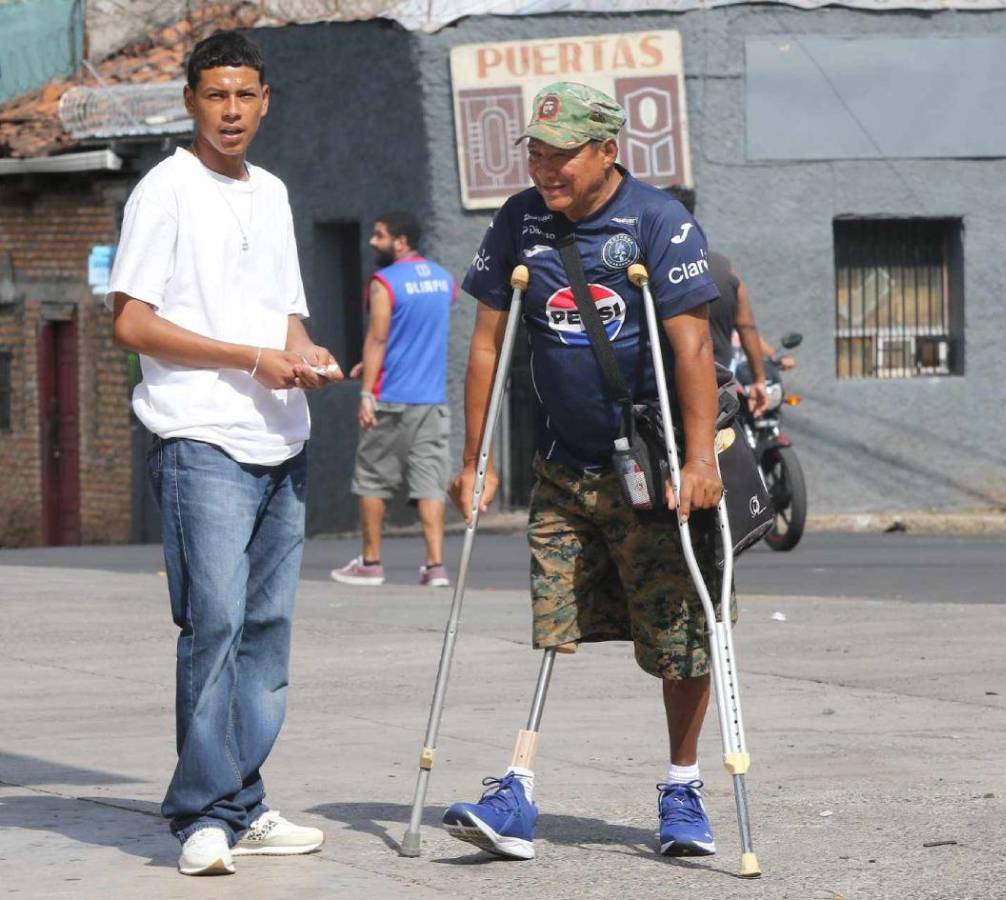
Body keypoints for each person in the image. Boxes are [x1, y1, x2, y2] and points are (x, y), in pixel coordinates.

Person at [440, 82, 730, 860]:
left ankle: (681, 787)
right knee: (552, 622)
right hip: (565, 469)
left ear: (608, 149)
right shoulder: (519, 222)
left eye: (560, 152)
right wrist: (473, 462)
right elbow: (485, 345)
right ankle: (517, 792)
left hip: (653, 470)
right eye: (535, 152)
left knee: (680, 635)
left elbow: (693, 350)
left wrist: (701, 461)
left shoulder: (660, 223)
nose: (545, 168)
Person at [107, 31, 339, 876]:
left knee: (267, 633)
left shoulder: (273, 194)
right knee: (215, 627)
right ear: (191, 102)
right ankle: (202, 814)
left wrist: (307, 356)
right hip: (199, 437)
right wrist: (250, 359)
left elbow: (283, 316)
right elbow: (131, 322)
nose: (232, 111)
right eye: (216, 96)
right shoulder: (163, 192)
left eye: (245, 95)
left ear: (265, 99)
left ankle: (244, 799)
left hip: (281, 436)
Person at [330, 212, 456, 588]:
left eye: (379, 235)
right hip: (432, 400)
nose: (372, 242)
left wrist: (367, 392)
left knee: (372, 479)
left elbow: (380, 338)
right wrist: (367, 364)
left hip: (389, 399)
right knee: (430, 481)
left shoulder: (384, 282)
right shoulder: (444, 281)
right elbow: (415, 336)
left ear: (400, 241)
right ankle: (435, 567)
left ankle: (371, 563)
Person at [662, 185, 769, 416]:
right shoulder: (725, 269)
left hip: (669, 395)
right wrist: (759, 379)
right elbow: (746, 326)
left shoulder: (648, 271)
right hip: (721, 390)